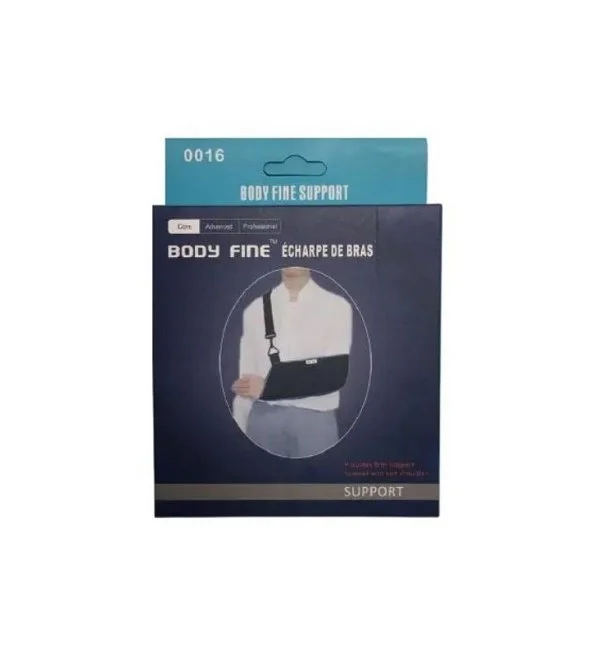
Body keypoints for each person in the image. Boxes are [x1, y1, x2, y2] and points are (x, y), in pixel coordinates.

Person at [232, 268, 353, 458]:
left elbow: (333, 375)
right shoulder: (254, 309)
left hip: (315, 422)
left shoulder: (336, 306)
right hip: (262, 419)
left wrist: (269, 387)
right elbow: (246, 383)